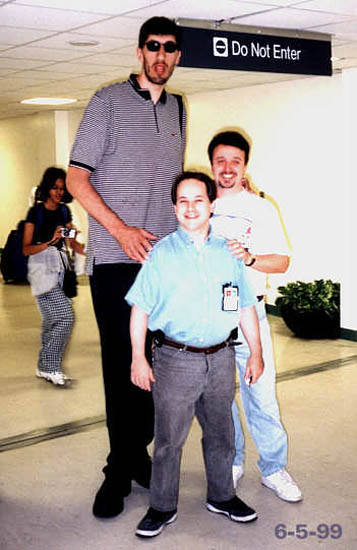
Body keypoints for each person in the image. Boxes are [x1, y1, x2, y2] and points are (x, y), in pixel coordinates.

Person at [66, 16, 186, 519]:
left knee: (157, 367)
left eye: (170, 48)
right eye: (152, 47)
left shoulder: (179, 107)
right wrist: (122, 232)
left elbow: (173, 184)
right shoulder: (106, 102)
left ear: (177, 56)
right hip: (117, 261)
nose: (161, 55)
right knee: (123, 368)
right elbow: (75, 180)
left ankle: (137, 454)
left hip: (164, 264)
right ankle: (117, 473)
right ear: (139, 52)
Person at [126, 172, 264, 538]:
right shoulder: (160, 255)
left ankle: (222, 496)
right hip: (176, 360)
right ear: (174, 208)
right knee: (169, 439)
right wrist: (138, 358)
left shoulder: (228, 252)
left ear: (211, 205)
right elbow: (139, 308)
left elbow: (245, 305)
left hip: (221, 358)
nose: (191, 207)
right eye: (183, 201)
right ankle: (162, 505)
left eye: (198, 200)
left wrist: (256, 353)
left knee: (222, 433)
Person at [208, 131, 302, 502]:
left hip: (251, 316)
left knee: (261, 397)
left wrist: (248, 258)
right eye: (221, 161)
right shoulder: (201, 204)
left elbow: (281, 261)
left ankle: (274, 469)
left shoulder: (261, 208)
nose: (228, 169)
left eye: (235, 161)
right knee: (219, 401)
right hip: (209, 318)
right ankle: (232, 462)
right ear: (212, 163)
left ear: (245, 165)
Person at [23, 167, 84, 386]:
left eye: (61, 188)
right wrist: (50, 240)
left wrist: (79, 243)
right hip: (41, 268)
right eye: (54, 188)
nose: (58, 192)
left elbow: (72, 241)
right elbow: (26, 248)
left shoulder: (65, 211)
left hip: (60, 267)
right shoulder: (36, 213)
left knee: (51, 320)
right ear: (47, 188)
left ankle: (45, 366)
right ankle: (49, 366)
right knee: (66, 317)